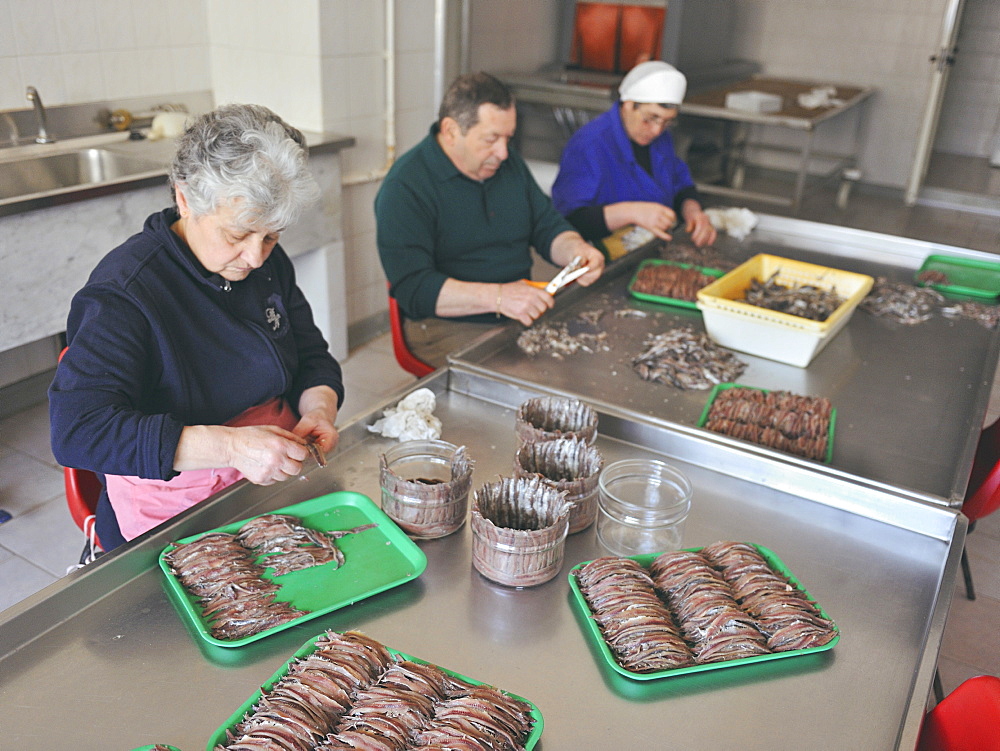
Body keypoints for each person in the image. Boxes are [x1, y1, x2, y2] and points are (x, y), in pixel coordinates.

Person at [49, 104, 344, 551]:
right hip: (173, 505)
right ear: (185, 199)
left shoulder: (265, 263)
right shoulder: (125, 293)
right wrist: (230, 449)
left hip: (269, 478)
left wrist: (318, 409)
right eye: (236, 235)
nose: (256, 257)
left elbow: (310, 355)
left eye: (271, 236)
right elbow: (77, 431)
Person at [375, 72, 605, 368]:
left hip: (516, 313)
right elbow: (414, 290)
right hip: (444, 326)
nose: (503, 152)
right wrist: (498, 298)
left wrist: (575, 250)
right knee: (541, 378)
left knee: (590, 357)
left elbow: (546, 225)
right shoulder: (406, 186)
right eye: (491, 139)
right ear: (451, 131)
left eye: (508, 137)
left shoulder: (508, 165)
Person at [552, 60, 717, 248]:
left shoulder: (662, 139)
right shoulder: (589, 145)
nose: (657, 130)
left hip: (651, 248)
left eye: (667, 122)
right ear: (628, 104)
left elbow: (679, 183)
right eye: (650, 118)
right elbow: (569, 221)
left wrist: (692, 211)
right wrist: (631, 213)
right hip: (599, 258)